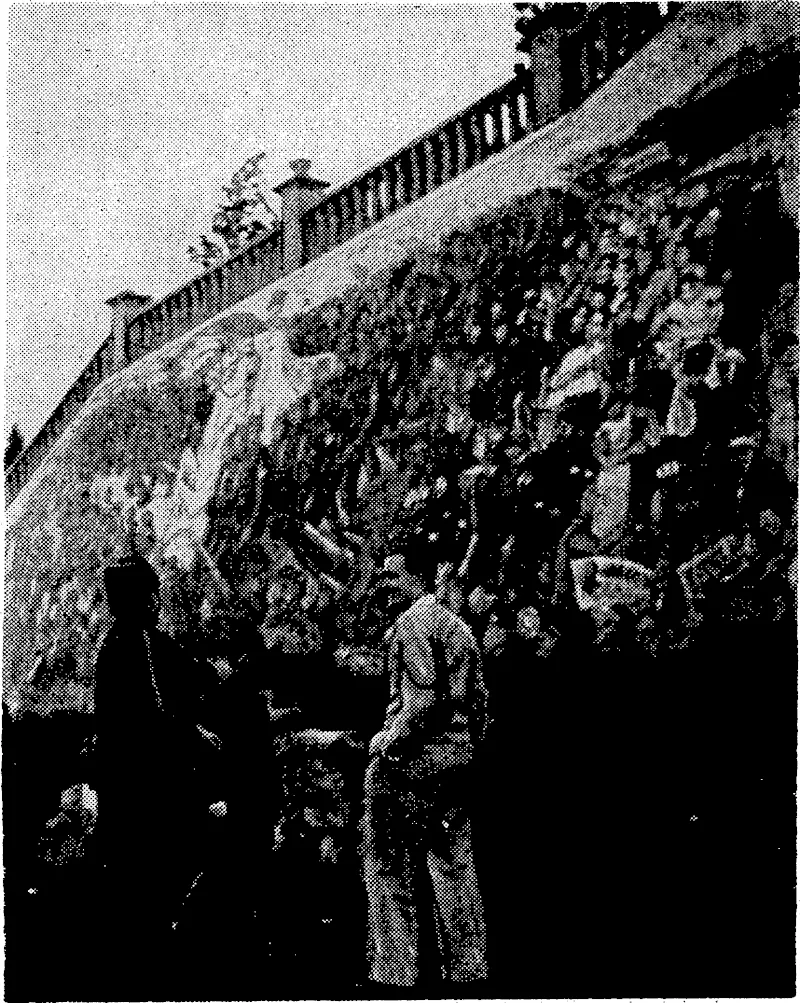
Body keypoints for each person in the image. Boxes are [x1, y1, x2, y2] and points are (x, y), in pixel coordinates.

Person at [91, 554, 219, 991]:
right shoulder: (136, 647)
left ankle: (145, 958)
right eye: (150, 595)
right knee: (157, 870)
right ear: (139, 600)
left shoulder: (123, 646)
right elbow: (155, 714)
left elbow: (180, 677)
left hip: (127, 783)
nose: (157, 603)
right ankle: (156, 966)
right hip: (145, 785)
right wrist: (194, 734)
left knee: (139, 877)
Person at [361, 561, 489, 990]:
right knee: (455, 868)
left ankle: (396, 978)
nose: (386, 592)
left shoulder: (413, 623)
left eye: (392, 581)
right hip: (457, 760)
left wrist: (384, 742)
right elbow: (481, 710)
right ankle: (468, 976)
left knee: (387, 869)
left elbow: (421, 704)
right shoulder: (463, 631)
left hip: (412, 764)